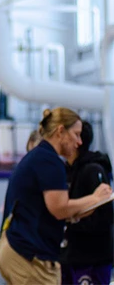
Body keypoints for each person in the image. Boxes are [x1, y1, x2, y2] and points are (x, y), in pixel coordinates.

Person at [0, 107, 112, 284]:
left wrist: (90, 205)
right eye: (76, 134)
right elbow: (60, 209)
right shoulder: (49, 161)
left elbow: (63, 212)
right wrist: (95, 198)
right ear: (60, 132)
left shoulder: (40, 158)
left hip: (16, 247)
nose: (79, 142)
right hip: (28, 253)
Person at [61, 121, 114, 284]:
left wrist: (72, 221)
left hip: (91, 258)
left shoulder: (93, 171)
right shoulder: (64, 170)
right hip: (68, 256)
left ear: (78, 141)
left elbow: (104, 217)